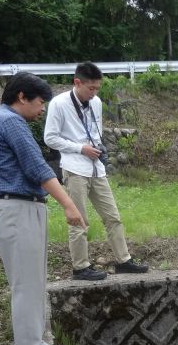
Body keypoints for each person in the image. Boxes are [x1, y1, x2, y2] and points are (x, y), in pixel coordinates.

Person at [0, 72, 86, 345]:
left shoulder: (3, 120)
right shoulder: (9, 121)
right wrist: (68, 203)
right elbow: (36, 166)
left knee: (34, 282)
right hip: (16, 209)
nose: (42, 109)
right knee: (26, 287)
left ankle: (36, 343)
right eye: (40, 102)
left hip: (22, 208)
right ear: (22, 97)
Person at [44, 62, 147, 280]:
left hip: (96, 167)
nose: (94, 93)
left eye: (97, 88)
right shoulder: (59, 104)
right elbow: (50, 138)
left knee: (113, 217)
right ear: (77, 82)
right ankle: (80, 267)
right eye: (91, 88)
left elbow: (96, 132)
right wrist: (80, 148)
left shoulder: (96, 102)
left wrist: (97, 148)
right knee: (79, 220)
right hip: (73, 167)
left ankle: (124, 261)